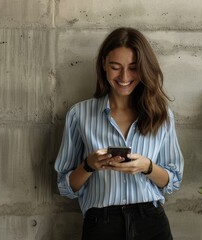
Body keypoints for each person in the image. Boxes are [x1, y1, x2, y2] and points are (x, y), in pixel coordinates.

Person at [54, 27, 184, 240]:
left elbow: (173, 180)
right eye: (116, 67)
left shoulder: (161, 115)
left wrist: (147, 167)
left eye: (133, 68)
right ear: (104, 64)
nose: (124, 76)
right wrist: (89, 165)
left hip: (150, 222)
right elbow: (65, 186)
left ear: (143, 68)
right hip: (101, 224)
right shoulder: (79, 115)